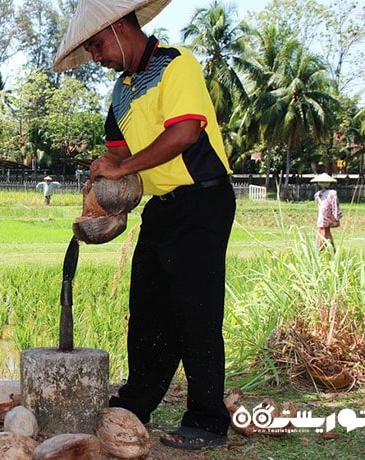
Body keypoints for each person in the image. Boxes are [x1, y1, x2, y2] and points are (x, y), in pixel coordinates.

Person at [53, 0, 236, 450]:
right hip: (162, 206)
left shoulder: (177, 65)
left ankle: (207, 419)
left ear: (118, 28)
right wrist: (104, 168)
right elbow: (118, 155)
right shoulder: (120, 93)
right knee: (149, 305)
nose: (96, 57)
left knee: (196, 308)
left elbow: (185, 132)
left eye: (97, 45)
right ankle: (137, 402)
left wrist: (122, 165)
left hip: (203, 199)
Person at [311, 173, 342, 250]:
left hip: (326, 214)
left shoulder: (330, 193)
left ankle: (323, 250)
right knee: (324, 231)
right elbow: (333, 205)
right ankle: (326, 250)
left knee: (324, 231)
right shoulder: (318, 194)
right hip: (324, 214)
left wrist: (336, 215)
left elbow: (334, 204)